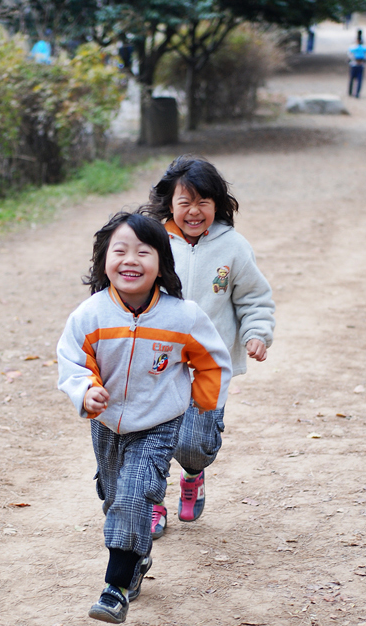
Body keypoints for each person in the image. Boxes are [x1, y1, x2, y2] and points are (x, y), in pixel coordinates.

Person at [57, 212, 231, 624]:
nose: (130, 260)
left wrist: (203, 406)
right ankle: (135, 558)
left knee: (135, 493)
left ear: (161, 263)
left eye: (143, 252)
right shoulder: (90, 315)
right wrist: (86, 391)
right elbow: (73, 362)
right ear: (104, 260)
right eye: (119, 250)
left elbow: (213, 362)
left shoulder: (182, 316)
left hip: (159, 424)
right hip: (107, 424)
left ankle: (114, 588)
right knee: (115, 497)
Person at [144, 157, 275, 535]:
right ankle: (151, 502)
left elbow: (254, 298)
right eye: (184, 202)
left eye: (203, 202)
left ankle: (193, 473)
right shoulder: (152, 242)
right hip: (158, 362)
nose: (194, 211)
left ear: (217, 204)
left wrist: (256, 332)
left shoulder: (233, 246)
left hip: (208, 365)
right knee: (149, 438)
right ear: (169, 203)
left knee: (193, 444)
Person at [348, 27, 366, 96]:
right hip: (360, 65)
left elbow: (350, 55)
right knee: (359, 80)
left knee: (352, 79)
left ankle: (350, 92)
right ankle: (357, 93)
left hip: (354, 64)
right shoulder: (364, 48)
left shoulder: (353, 47)